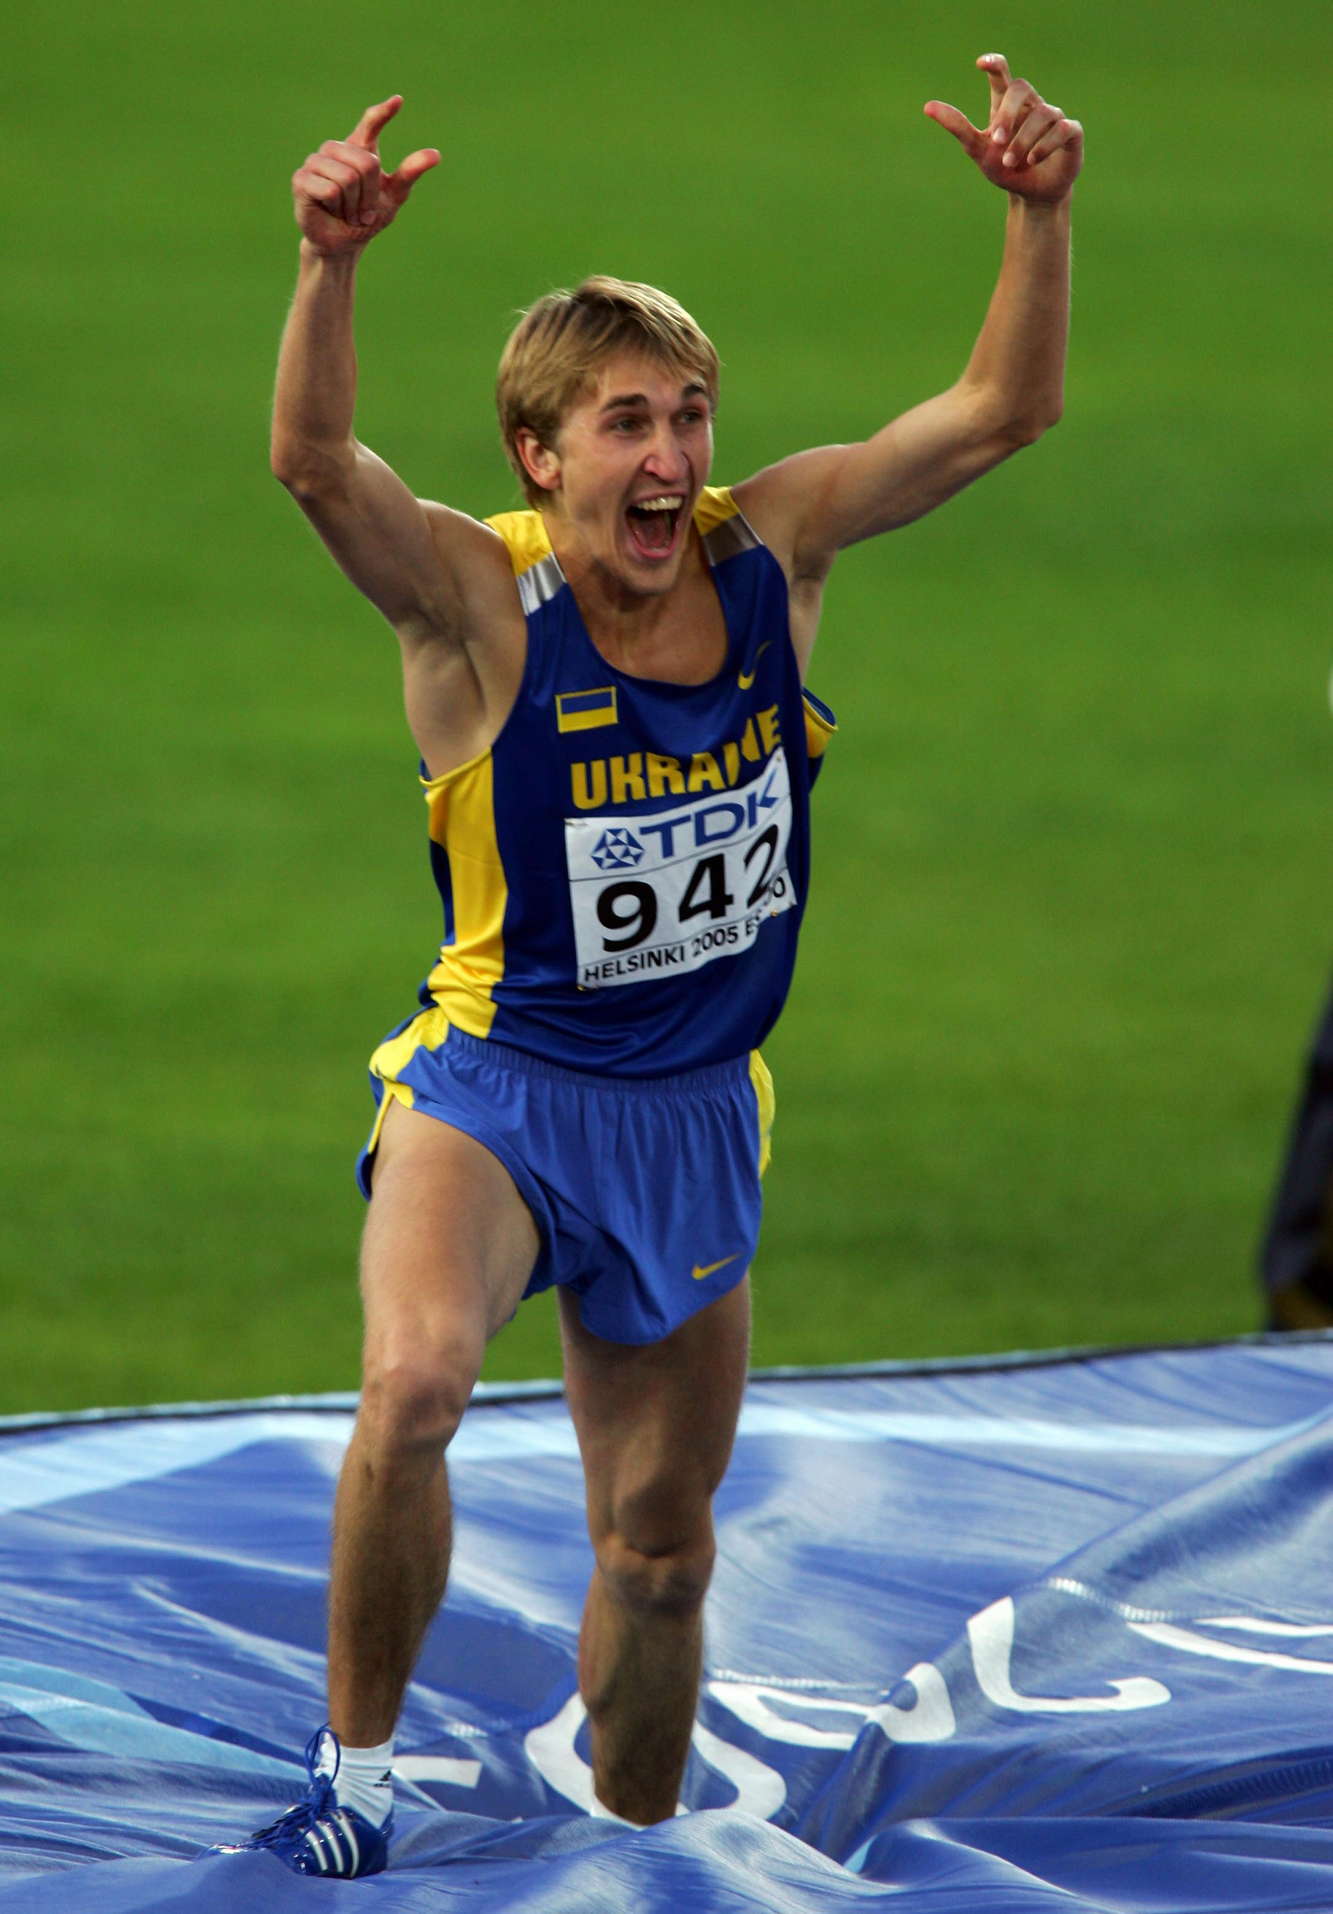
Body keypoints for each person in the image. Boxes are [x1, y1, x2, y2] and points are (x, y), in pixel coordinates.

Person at [216, 54, 1082, 1877]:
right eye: (627, 422)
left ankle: (640, 1844)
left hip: (689, 1108)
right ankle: (356, 1776)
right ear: (540, 455)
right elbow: (310, 465)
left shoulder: (772, 553)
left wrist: (1038, 212)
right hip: (497, 1089)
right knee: (416, 1383)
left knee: (663, 1548)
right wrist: (327, 261)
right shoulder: (479, 602)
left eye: (690, 415)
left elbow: (1002, 413)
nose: (673, 457)